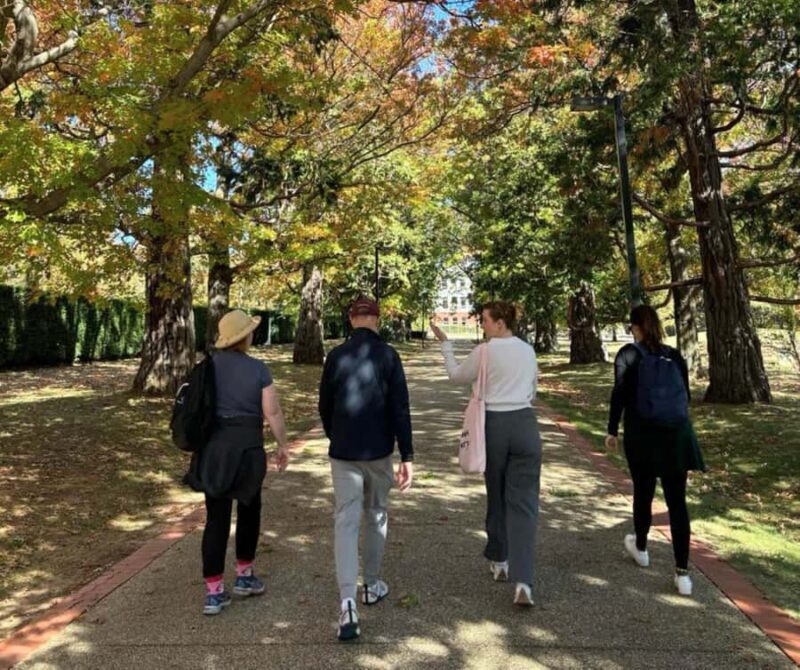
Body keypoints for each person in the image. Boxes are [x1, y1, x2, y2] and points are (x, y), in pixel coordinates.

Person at [430, 301, 540, 607]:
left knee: (497, 492)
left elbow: (456, 376)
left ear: (501, 323)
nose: (484, 326)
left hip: (494, 425)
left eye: (487, 322)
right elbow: (534, 390)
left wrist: (446, 345)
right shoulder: (528, 351)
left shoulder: (485, 351)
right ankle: (524, 578)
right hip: (525, 425)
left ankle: (500, 558)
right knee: (525, 503)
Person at [319, 297, 414, 642]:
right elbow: (400, 408)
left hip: (344, 450)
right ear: (376, 318)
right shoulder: (389, 356)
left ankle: (347, 601)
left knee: (345, 521)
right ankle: (371, 584)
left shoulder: (336, 356)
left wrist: (337, 434)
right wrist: (408, 455)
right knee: (376, 515)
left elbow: (324, 405)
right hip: (378, 450)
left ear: (350, 318)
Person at [195, 309, 291, 615]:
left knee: (216, 518)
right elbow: (272, 412)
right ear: (245, 337)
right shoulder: (258, 369)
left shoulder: (207, 367)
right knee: (249, 510)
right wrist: (282, 444)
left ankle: (213, 592)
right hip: (248, 447)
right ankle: (244, 575)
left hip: (214, 449)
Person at [605, 304, 705, 597]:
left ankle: (642, 547)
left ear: (634, 326)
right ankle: (683, 574)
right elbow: (684, 395)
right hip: (676, 435)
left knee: (643, 493)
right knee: (677, 503)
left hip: (642, 435)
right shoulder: (673, 355)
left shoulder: (628, 354)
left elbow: (619, 394)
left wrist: (612, 430)